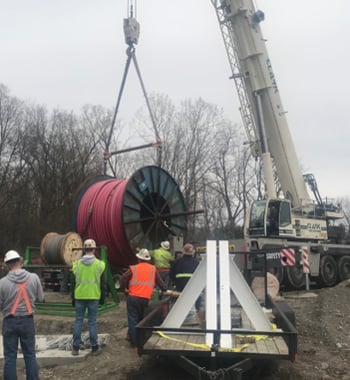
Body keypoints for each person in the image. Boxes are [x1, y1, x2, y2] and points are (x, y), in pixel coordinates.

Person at [0, 250, 44, 380]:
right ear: (20, 260)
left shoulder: (2, 283)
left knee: (10, 357)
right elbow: (41, 298)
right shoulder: (34, 278)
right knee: (30, 355)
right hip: (27, 321)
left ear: (7, 264)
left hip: (9, 321)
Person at [120, 248, 167, 348]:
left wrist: (125, 289)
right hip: (145, 299)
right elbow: (160, 283)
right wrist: (164, 290)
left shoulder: (133, 268)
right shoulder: (153, 269)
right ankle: (141, 339)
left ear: (138, 259)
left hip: (133, 297)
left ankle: (134, 342)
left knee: (133, 320)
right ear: (148, 260)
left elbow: (123, 277)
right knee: (141, 320)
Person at [71, 239, 106, 356]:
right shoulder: (100, 265)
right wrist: (103, 297)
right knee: (92, 322)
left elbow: (73, 283)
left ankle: (75, 348)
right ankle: (94, 347)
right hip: (93, 296)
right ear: (94, 249)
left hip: (79, 296)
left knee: (78, 321)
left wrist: (73, 297)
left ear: (84, 249)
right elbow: (103, 283)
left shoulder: (76, 265)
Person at [169, 243, 202, 312]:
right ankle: (198, 318)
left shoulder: (177, 262)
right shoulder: (197, 263)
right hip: (193, 288)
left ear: (183, 251)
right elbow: (201, 276)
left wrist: (175, 284)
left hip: (179, 288)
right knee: (197, 306)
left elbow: (171, 275)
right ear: (193, 252)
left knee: (178, 307)